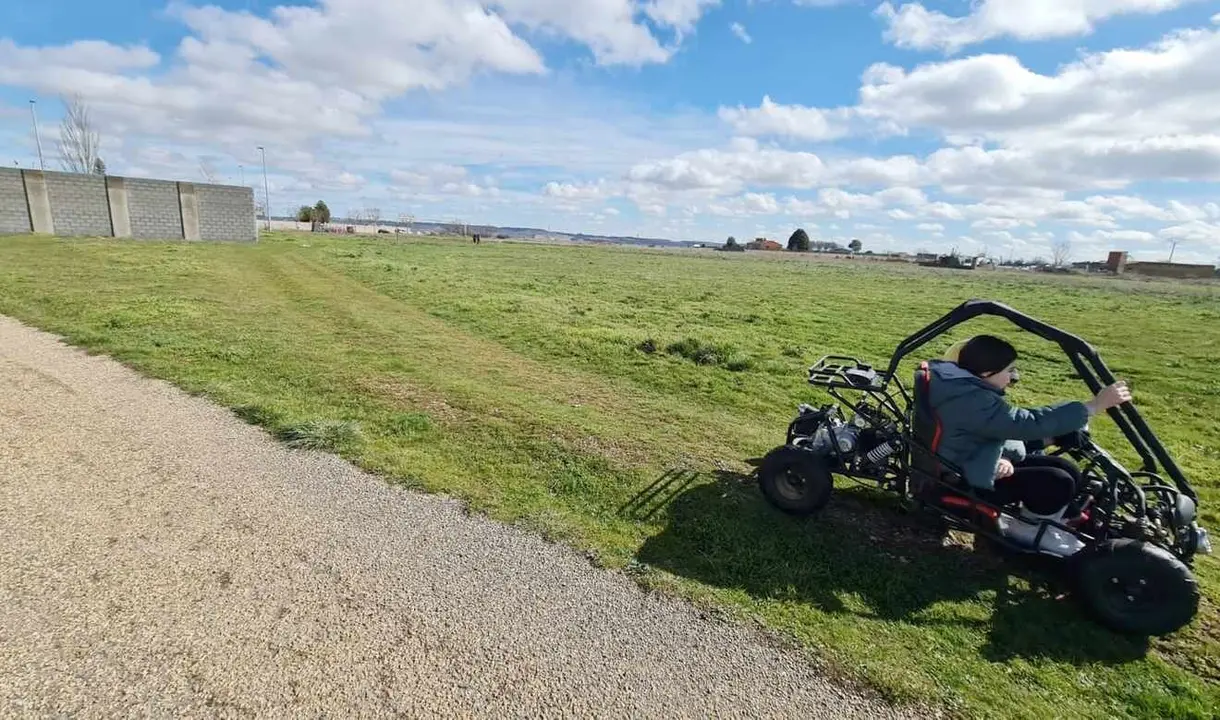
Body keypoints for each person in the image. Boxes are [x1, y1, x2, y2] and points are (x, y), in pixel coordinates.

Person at [924, 334, 1131, 525]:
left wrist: (1047, 439)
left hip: (974, 462)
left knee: (1065, 468)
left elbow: (997, 428)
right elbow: (1025, 423)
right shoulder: (971, 400)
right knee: (1056, 482)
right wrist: (1093, 406)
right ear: (986, 373)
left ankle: (1068, 515)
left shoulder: (958, 387)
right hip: (966, 480)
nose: (1013, 377)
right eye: (1009, 371)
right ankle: (1031, 529)